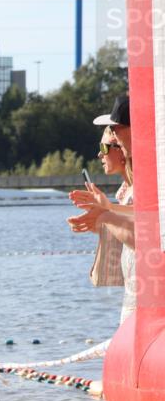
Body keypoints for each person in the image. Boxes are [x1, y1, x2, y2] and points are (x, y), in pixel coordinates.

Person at [68, 107, 136, 322]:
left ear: (121, 149)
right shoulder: (124, 190)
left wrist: (106, 215)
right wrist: (100, 222)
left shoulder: (143, 187)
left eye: (103, 147)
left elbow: (145, 226)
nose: (99, 154)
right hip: (134, 288)